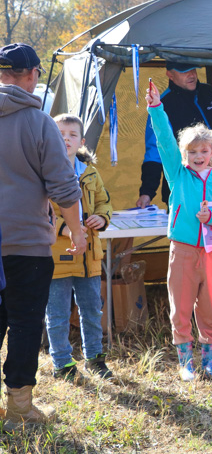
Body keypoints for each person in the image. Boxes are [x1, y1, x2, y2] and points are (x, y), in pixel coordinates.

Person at [0, 42, 86, 424]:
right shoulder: (38, 123)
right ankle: (19, 408)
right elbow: (64, 187)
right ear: (33, 75)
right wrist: (78, 233)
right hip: (26, 244)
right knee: (23, 322)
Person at [145, 79, 212, 381]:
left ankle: (209, 360)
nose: (198, 156)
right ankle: (185, 362)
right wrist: (156, 108)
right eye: (192, 151)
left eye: (203, 150)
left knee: (209, 307)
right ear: (185, 154)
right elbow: (163, 141)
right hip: (183, 250)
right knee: (181, 306)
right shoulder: (177, 175)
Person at [45, 114, 113, 381]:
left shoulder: (91, 173)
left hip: (90, 257)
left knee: (91, 310)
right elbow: (44, 211)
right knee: (58, 312)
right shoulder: (46, 171)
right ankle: (62, 363)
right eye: (60, 134)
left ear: (81, 141)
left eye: (72, 135)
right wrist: (66, 228)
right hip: (58, 256)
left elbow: (104, 202)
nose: (66, 139)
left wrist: (102, 217)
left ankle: (95, 359)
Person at [137, 62, 212, 208]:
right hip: (184, 192)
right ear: (170, 75)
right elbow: (155, 151)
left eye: (193, 69)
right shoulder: (163, 104)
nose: (191, 74)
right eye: (184, 71)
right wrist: (147, 192)